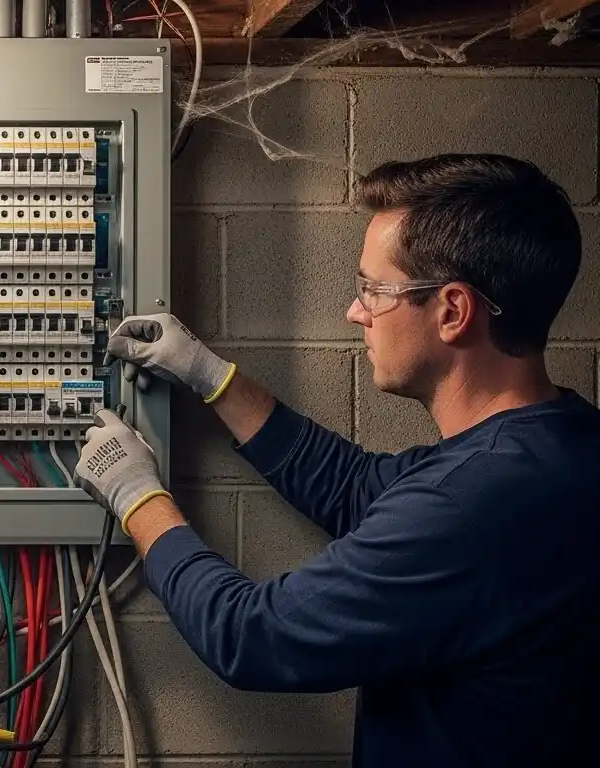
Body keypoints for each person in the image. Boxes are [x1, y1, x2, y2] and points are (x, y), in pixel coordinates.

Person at [74, 154, 599, 768]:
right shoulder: (557, 447)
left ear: (453, 312)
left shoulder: (472, 503)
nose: (355, 312)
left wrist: (137, 496)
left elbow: (253, 637)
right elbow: (356, 488)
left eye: (374, 290)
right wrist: (211, 376)